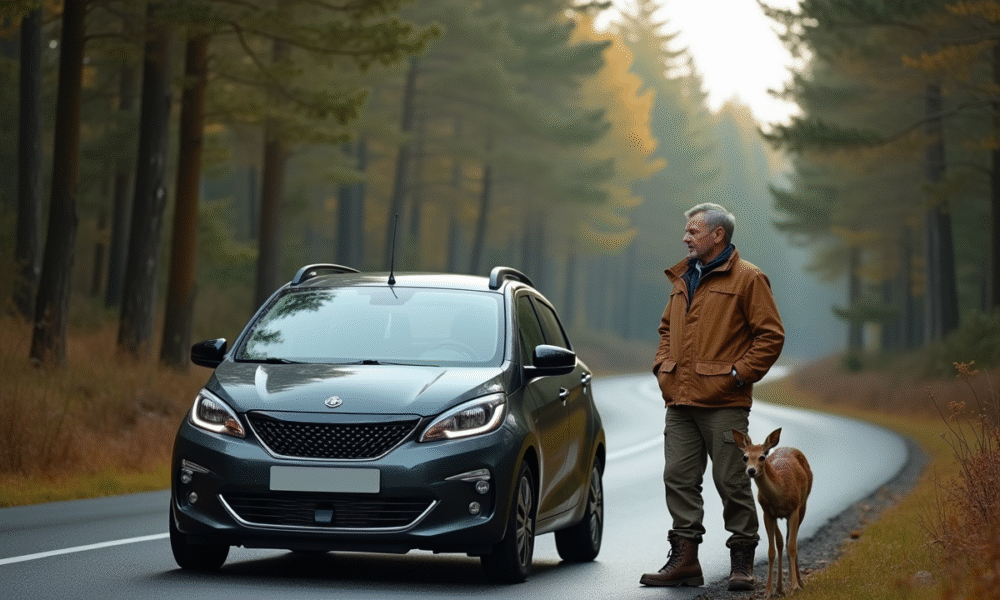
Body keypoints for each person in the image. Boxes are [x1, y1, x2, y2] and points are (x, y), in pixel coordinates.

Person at [640, 203, 785, 591]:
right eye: (686, 231)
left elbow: (770, 336)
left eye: (693, 230)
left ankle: (742, 563)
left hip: (724, 401)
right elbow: (666, 329)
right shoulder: (682, 277)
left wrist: (738, 374)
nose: (685, 237)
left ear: (717, 235)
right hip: (680, 400)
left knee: (732, 481)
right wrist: (663, 368)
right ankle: (685, 561)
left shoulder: (748, 279)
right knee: (678, 479)